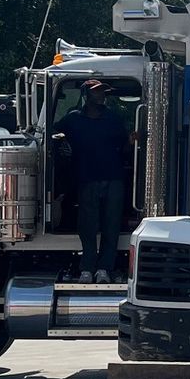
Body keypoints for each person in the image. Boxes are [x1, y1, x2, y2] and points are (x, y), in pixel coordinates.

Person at [57, 79, 133, 281]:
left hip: (114, 178)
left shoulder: (114, 119)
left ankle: (104, 269)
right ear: (85, 95)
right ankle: (87, 268)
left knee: (112, 225)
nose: (102, 96)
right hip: (87, 179)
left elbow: (125, 147)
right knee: (88, 226)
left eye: (103, 92)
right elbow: (52, 134)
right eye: (97, 92)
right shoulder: (72, 119)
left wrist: (132, 141)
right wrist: (61, 144)